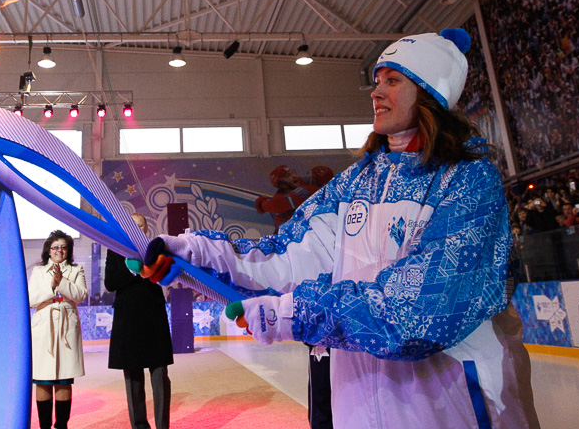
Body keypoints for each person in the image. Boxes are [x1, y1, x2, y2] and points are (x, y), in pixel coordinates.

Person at [142, 29, 539, 428]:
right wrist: (194, 254)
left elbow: (419, 311)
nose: (376, 92)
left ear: (429, 94)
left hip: (454, 411)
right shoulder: (356, 182)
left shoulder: (469, 181)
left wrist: (294, 313)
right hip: (361, 409)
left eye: (393, 80)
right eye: (378, 79)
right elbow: (287, 256)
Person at [105, 213, 173, 429]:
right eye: (132, 225)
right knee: (132, 376)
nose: (137, 229)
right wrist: (133, 271)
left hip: (153, 316)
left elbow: (165, 274)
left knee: (160, 374)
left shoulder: (155, 249)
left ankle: (163, 425)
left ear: (146, 229)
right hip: (128, 319)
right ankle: (140, 426)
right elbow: (110, 282)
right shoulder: (114, 249)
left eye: (141, 225)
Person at [28, 231, 86, 429]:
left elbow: (80, 296)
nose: (59, 250)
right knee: (42, 380)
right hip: (43, 329)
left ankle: (61, 425)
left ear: (68, 251)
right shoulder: (38, 271)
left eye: (63, 247)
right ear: (48, 251)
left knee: (63, 379)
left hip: (66, 329)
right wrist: (52, 288)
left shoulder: (77, 270)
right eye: (55, 247)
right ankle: (44, 426)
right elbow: (31, 299)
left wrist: (62, 282)